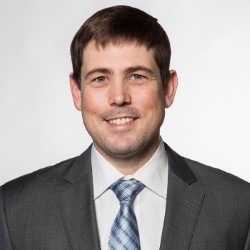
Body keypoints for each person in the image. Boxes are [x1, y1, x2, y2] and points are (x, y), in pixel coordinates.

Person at [0, 5, 250, 250]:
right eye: (100, 78)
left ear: (168, 88)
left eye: (137, 76)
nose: (119, 97)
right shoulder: (13, 211)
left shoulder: (239, 206)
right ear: (77, 92)